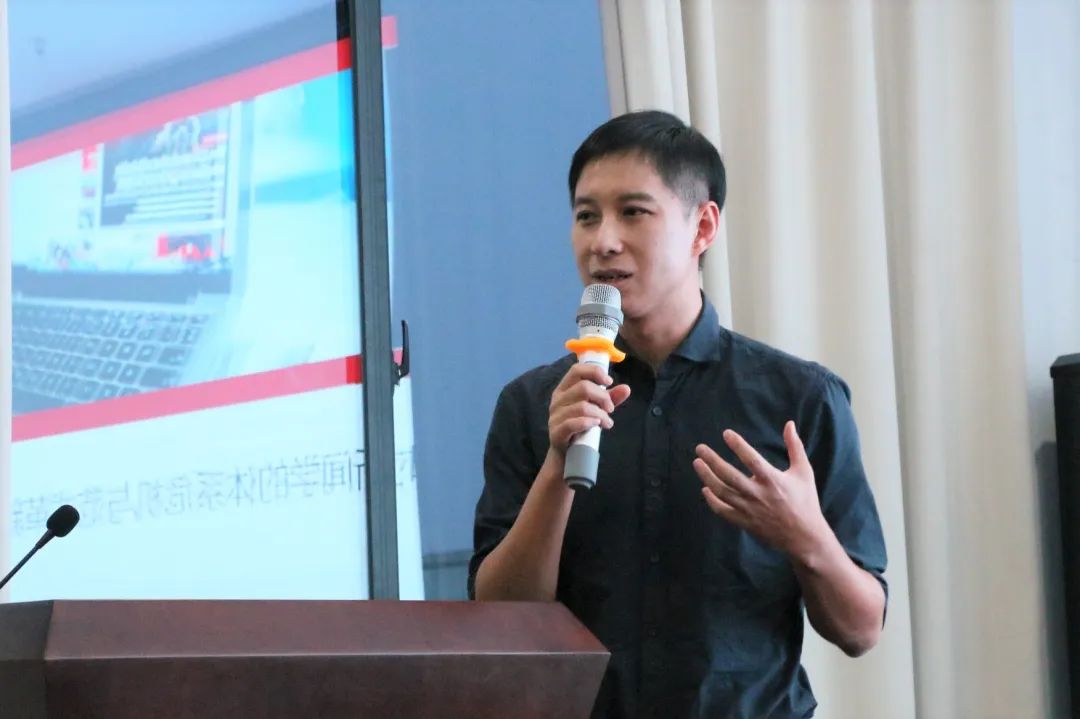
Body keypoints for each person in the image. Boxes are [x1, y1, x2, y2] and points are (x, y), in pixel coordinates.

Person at [468, 110, 887, 718]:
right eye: (586, 216)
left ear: (703, 226)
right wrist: (558, 463)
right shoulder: (533, 405)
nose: (602, 241)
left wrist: (806, 538)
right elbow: (502, 618)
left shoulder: (800, 399)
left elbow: (861, 630)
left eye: (633, 212)